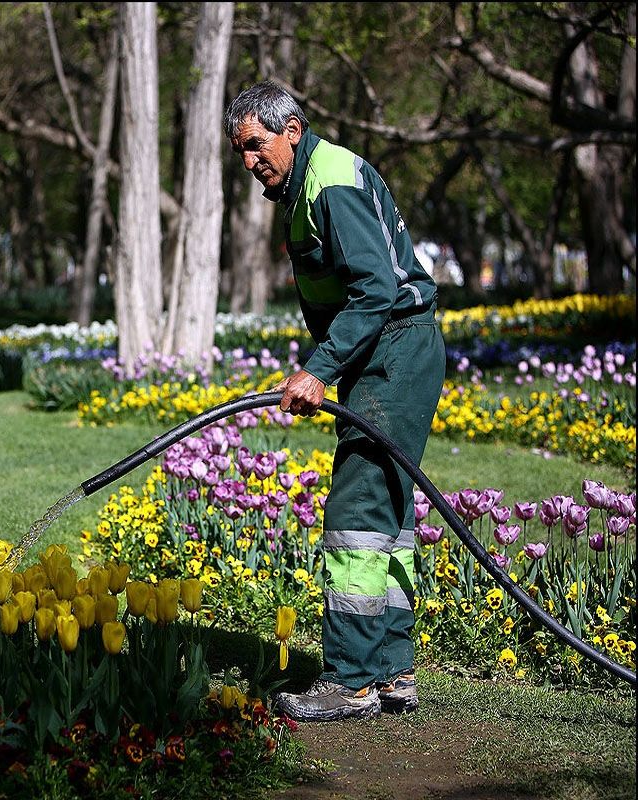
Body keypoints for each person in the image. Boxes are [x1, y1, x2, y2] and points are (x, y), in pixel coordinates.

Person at [224, 81, 445, 721]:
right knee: (388, 511)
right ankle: (391, 672)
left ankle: (351, 680)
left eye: (255, 145)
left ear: (292, 129)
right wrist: (331, 366)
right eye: (240, 151)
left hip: (397, 348)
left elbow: (376, 290)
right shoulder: (306, 187)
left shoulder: (331, 183)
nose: (248, 161)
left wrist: (319, 370)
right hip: (388, 353)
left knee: (357, 508)